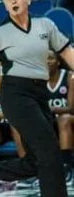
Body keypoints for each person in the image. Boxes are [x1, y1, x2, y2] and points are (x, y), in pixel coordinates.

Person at [0, 0, 74, 197]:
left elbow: (65, 51)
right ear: (5, 5)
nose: (13, 1)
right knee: (50, 150)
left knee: (36, 159)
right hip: (15, 94)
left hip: (40, 93)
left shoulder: (45, 25)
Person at [46, 51, 74, 182]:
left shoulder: (70, 77)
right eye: (44, 59)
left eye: (50, 59)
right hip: (50, 123)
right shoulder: (37, 79)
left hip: (69, 121)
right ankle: (33, 171)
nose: (47, 62)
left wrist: (52, 109)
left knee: (64, 119)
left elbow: (72, 108)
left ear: (58, 61)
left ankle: (66, 166)